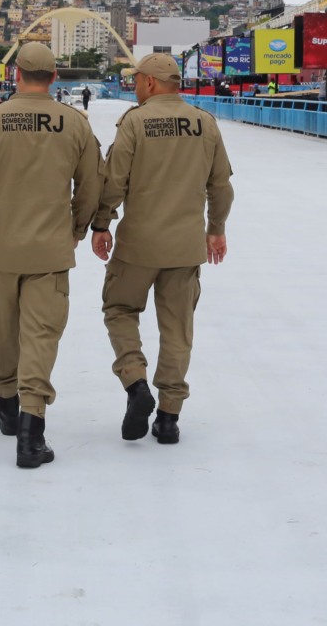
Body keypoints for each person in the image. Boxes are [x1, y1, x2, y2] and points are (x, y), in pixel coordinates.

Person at [0, 42, 101, 469]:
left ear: (15, 74)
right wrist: (77, 229)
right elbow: (90, 187)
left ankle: (6, 397)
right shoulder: (75, 125)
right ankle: (32, 433)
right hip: (49, 251)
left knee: (3, 330)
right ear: (54, 78)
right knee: (42, 335)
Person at [91, 53, 234, 445]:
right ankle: (169, 416)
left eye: (137, 80)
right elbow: (220, 186)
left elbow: (114, 180)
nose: (134, 86)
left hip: (138, 244)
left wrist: (102, 223)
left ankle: (136, 382)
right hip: (185, 247)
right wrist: (215, 229)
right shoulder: (205, 123)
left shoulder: (134, 122)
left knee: (119, 309)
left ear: (151, 83)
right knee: (177, 329)